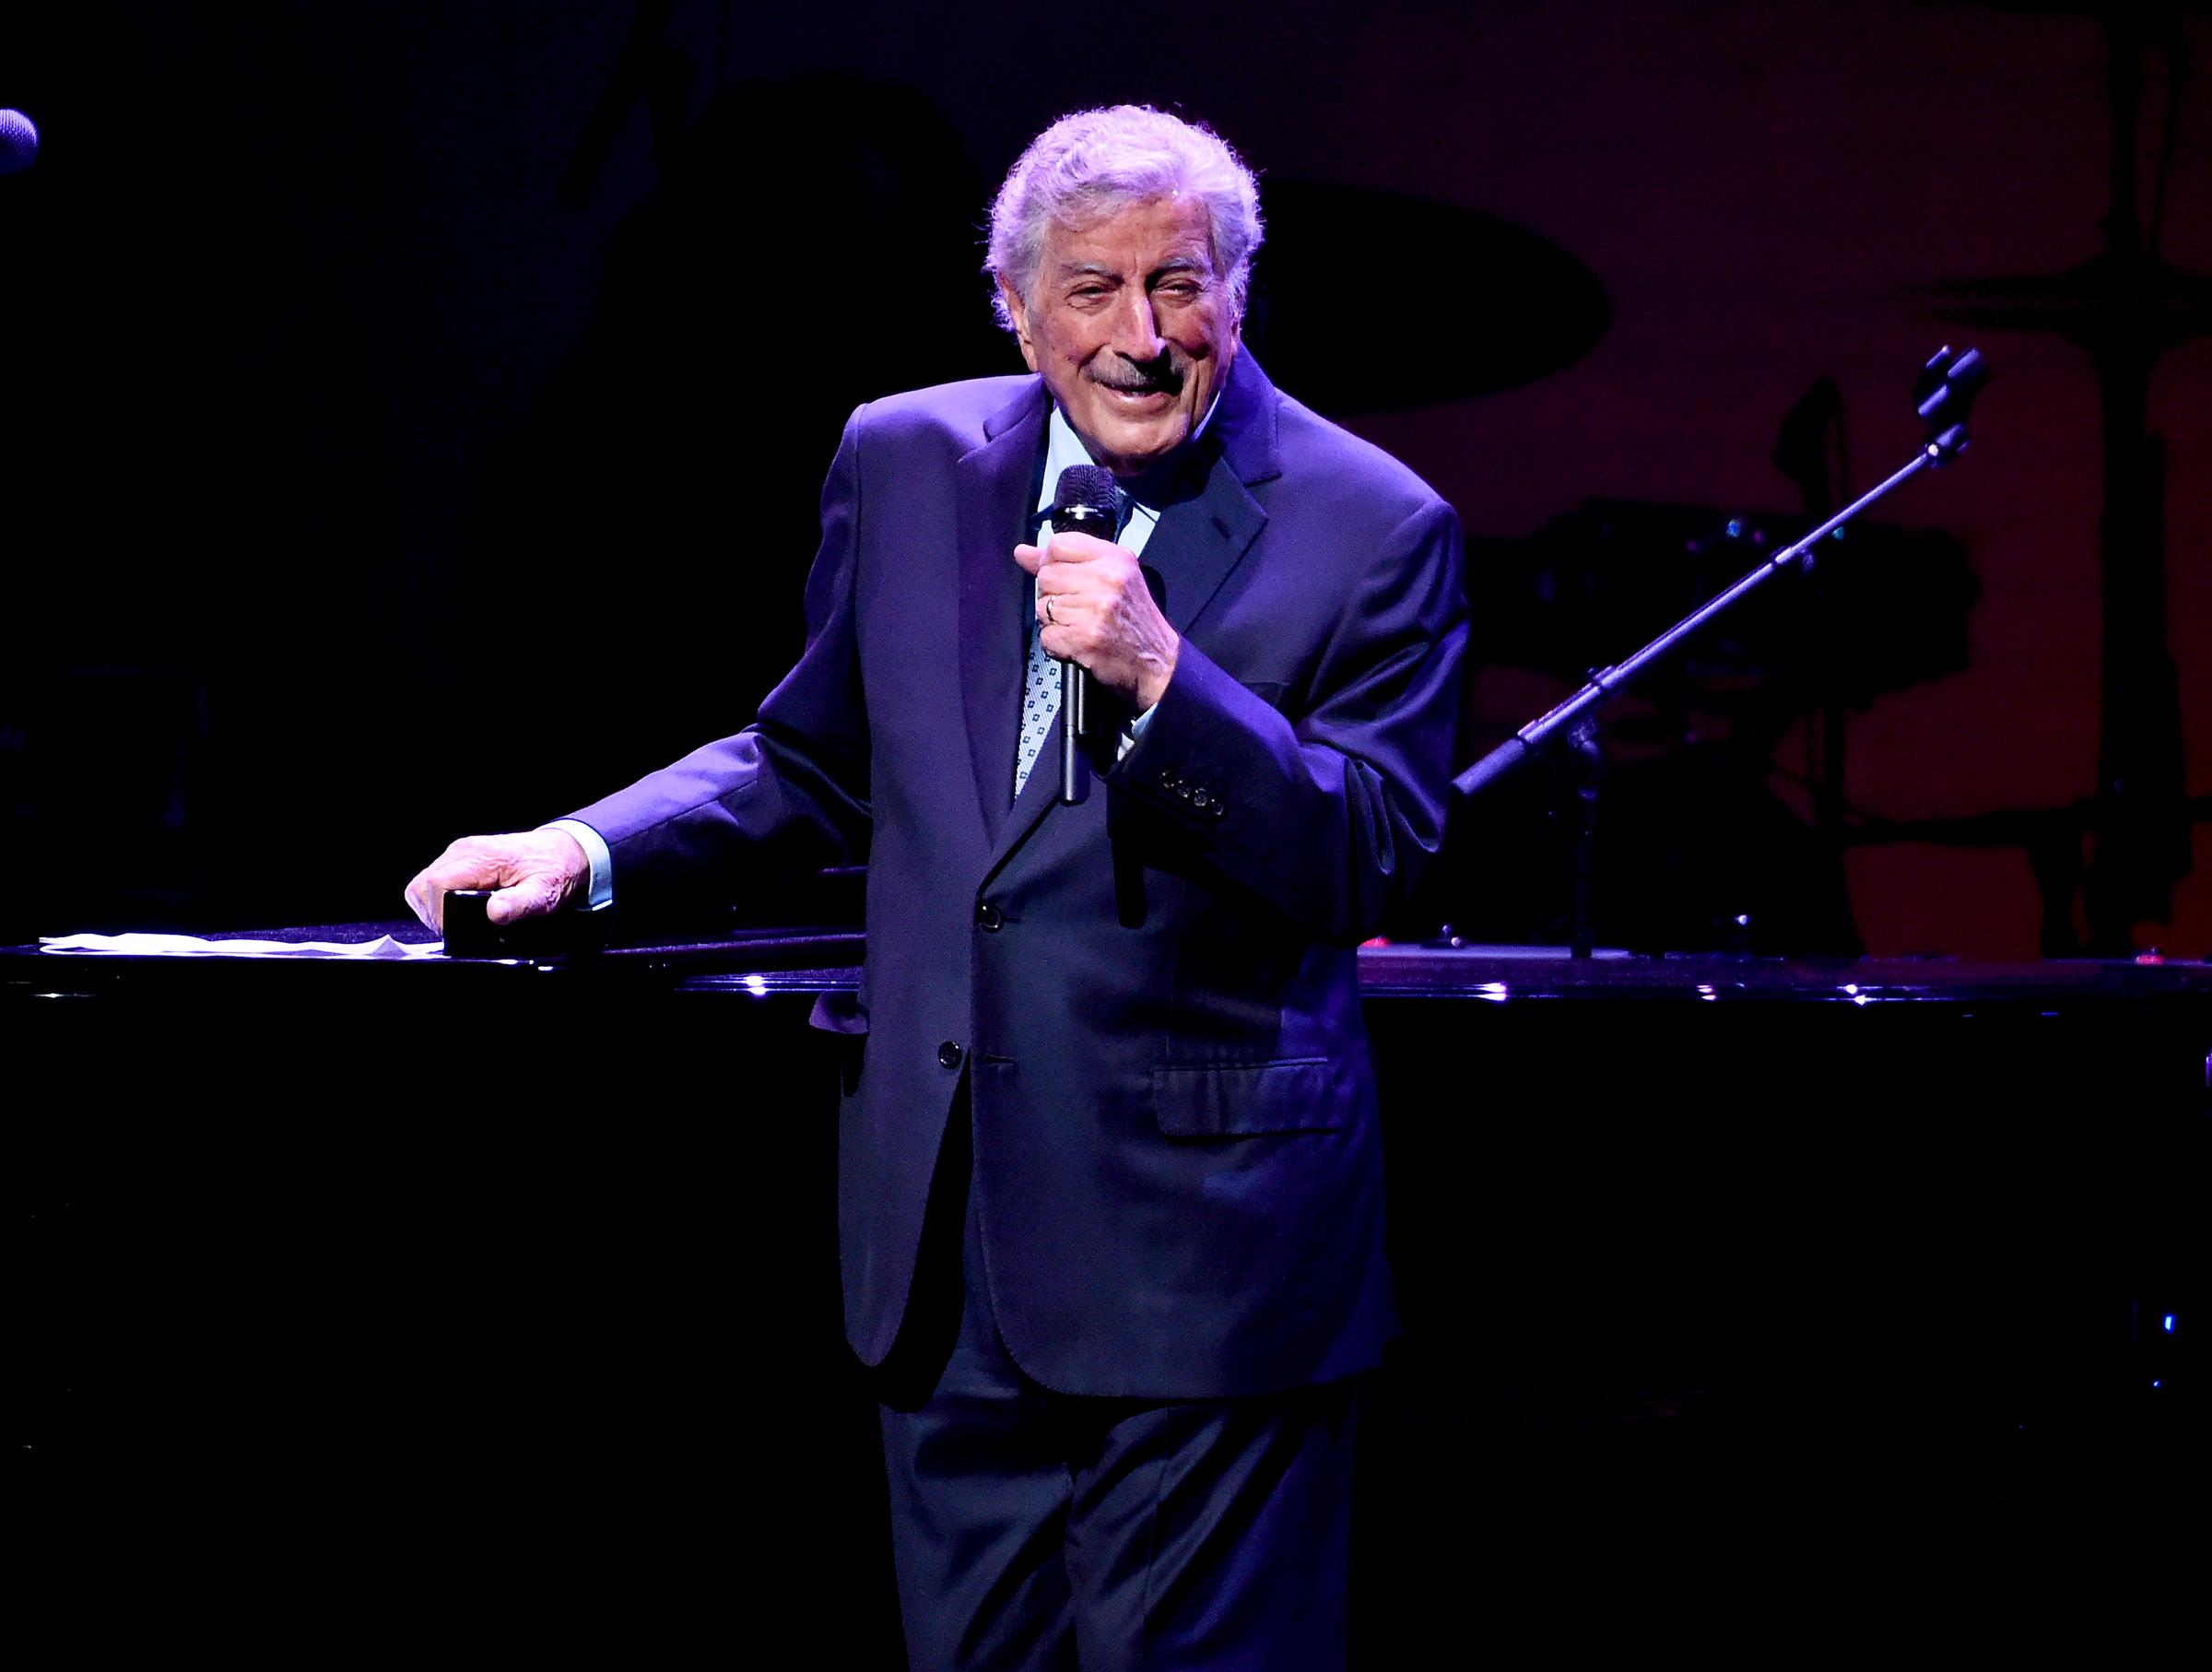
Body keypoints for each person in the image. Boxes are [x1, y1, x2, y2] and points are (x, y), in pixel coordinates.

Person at [406, 104, 1465, 1669]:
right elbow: (809, 757)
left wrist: (1170, 685)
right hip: (945, 1252)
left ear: (1237, 288)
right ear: (1015, 304)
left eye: (1180, 285)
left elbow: (1373, 845)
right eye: (1091, 292)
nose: (1142, 337)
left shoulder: (1374, 521)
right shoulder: (905, 457)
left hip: (1210, 1263)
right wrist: (587, 845)